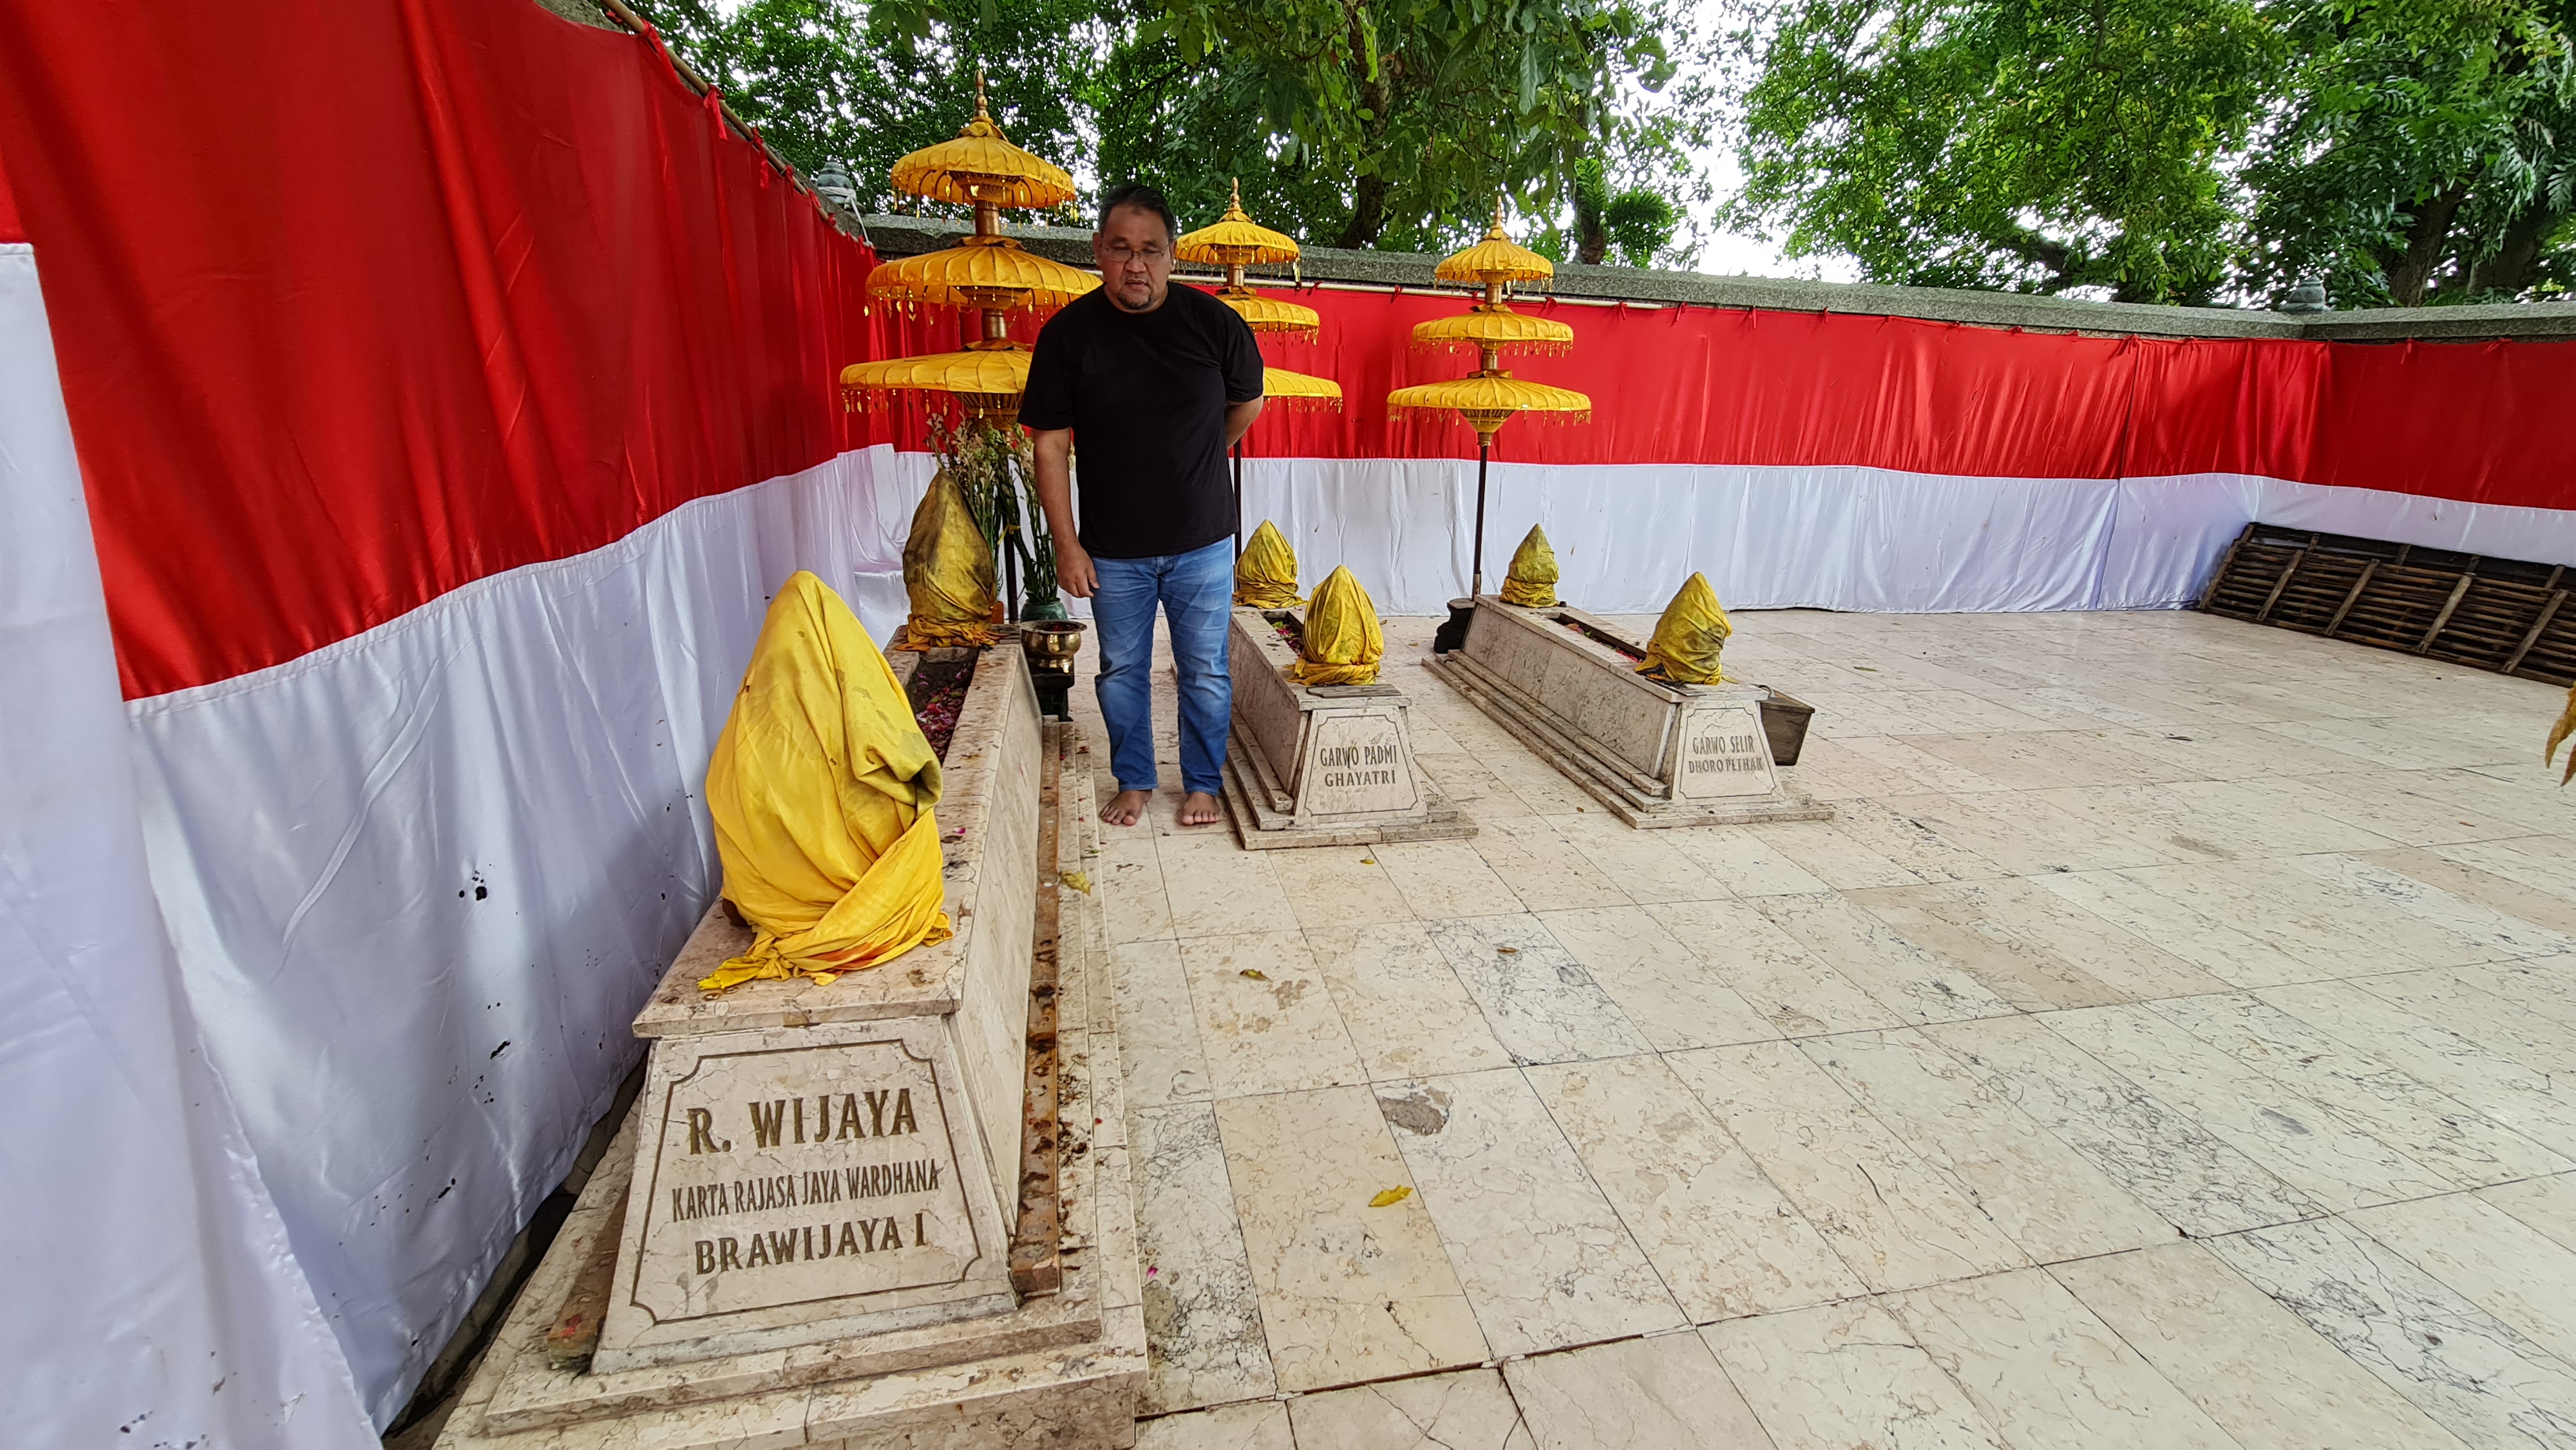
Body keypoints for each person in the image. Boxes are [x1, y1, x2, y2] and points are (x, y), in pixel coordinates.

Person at [1025, 182, 1265, 828]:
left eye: (1151, 250)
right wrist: (1067, 545)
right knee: (1121, 669)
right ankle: (1134, 780)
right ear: (1098, 250)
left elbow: (1247, 402)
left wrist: (1203, 453)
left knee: (1205, 671)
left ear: (1172, 255)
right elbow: (1049, 444)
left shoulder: (1215, 324)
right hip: (1112, 549)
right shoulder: (1067, 336)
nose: (1137, 265)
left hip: (1202, 540)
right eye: (1121, 249)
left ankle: (1202, 784)